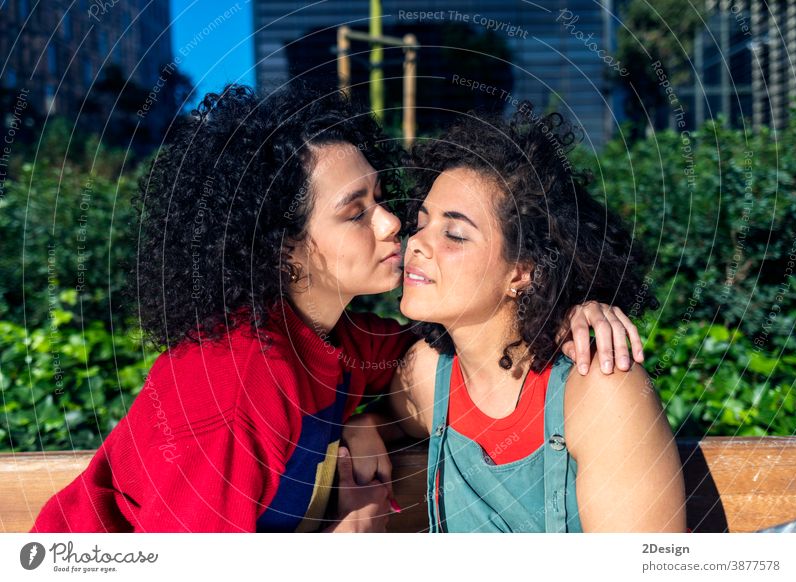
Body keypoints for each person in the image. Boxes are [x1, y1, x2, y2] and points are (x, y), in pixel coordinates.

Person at [31, 85, 645, 533]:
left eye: (381, 198)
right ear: (285, 249)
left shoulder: (338, 339)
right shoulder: (232, 386)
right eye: (356, 211)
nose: (394, 224)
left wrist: (567, 309)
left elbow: (443, 348)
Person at [375, 105, 687, 532]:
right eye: (421, 223)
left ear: (520, 273)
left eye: (454, 234)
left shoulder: (598, 388)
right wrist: (364, 427)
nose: (416, 243)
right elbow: (386, 419)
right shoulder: (428, 375)